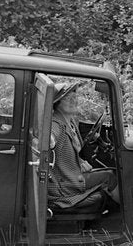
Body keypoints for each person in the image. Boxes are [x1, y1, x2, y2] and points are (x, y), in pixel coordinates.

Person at [46, 82, 117, 211]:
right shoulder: (56, 124)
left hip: (72, 172)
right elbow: (49, 137)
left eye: (74, 96)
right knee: (111, 176)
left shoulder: (71, 121)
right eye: (67, 98)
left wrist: (80, 160)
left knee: (109, 172)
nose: (73, 100)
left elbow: (70, 149)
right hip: (64, 183)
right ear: (57, 103)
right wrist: (48, 140)